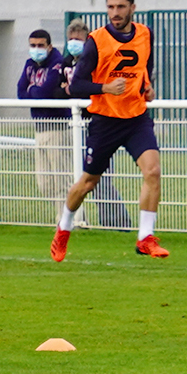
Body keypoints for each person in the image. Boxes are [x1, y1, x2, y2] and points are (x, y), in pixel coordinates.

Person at [51, 0, 169, 261]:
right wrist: (105, 88)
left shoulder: (145, 34)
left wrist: (147, 87)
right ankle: (64, 227)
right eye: (110, 7)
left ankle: (145, 238)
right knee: (88, 182)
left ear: (132, 8)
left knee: (152, 171)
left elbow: (144, 68)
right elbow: (76, 86)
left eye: (120, 7)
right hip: (105, 121)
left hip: (136, 118)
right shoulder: (96, 40)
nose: (115, 13)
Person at [59, 20, 130, 231]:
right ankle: (72, 222)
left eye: (78, 39)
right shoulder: (65, 63)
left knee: (100, 181)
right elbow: (56, 90)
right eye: (71, 39)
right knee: (80, 180)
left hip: (98, 124)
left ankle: (119, 225)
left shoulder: (97, 60)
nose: (74, 43)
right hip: (73, 125)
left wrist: (74, 89)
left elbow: (83, 88)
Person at [18, 29, 70, 212]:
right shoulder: (29, 64)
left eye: (40, 45)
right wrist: (34, 91)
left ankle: (68, 222)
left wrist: (32, 89)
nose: (36, 49)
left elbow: (45, 92)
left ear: (49, 46)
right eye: (33, 45)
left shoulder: (57, 62)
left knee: (62, 181)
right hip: (39, 128)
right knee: (45, 183)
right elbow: (20, 92)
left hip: (58, 127)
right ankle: (67, 219)